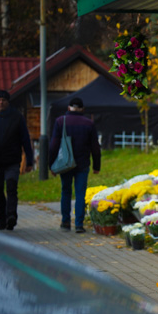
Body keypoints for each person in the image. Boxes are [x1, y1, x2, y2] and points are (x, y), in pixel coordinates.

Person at [49, 97, 101, 233]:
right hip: (82, 164)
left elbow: (54, 145)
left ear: (68, 108)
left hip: (65, 163)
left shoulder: (61, 121)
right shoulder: (89, 124)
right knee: (80, 194)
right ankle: (79, 224)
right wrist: (97, 166)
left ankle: (65, 222)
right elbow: (95, 147)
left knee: (65, 191)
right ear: (82, 109)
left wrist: (51, 165)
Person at [0, 89, 33, 230]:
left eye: (3, 100)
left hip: (12, 160)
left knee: (12, 186)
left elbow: (25, 139)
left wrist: (29, 160)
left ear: (8, 102)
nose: (1, 102)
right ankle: (1, 220)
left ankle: (11, 216)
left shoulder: (16, 117)